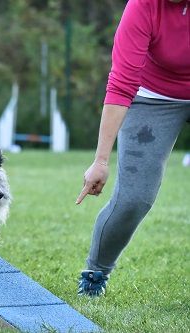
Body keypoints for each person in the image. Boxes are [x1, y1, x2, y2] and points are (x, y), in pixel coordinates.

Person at [75, 0, 190, 296]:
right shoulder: (143, 6)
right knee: (133, 199)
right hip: (154, 96)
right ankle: (96, 271)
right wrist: (100, 160)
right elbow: (121, 84)